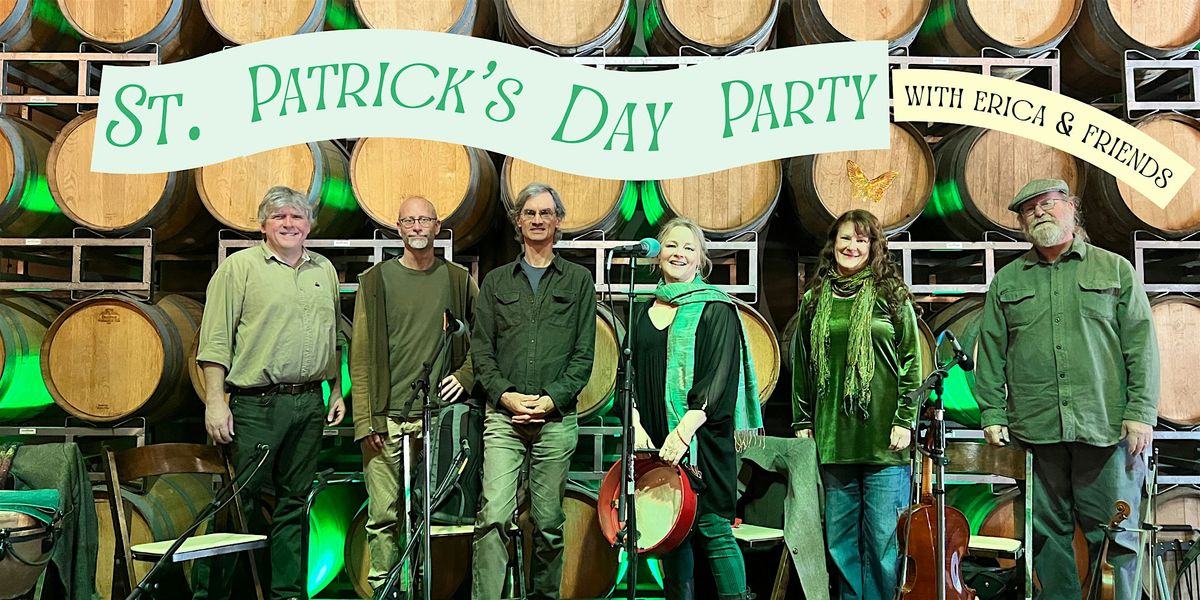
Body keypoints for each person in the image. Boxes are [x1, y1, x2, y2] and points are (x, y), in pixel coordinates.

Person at [976, 179, 1158, 600]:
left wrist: (1141, 412)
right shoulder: (1007, 281)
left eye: (1048, 204)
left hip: (1106, 429)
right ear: (1023, 224)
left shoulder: (1114, 269)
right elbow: (991, 352)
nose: (1039, 212)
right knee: (1046, 538)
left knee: (1116, 538)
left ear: (1072, 208)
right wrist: (992, 412)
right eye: (1029, 210)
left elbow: (1141, 346)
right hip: (1037, 430)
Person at [195, 185, 346, 600]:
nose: (289, 224)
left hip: (309, 402)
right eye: (279, 216)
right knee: (236, 504)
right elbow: (215, 341)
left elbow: (333, 338)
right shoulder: (239, 268)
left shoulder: (323, 270)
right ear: (262, 225)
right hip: (256, 405)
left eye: (297, 217)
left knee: (295, 506)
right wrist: (215, 403)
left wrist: (335, 390)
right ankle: (212, 595)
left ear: (309, 225)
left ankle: (287, 594)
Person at [469, 183, 596, 600]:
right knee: (493, 516)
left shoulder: (579, 281)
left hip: (555, 419)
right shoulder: (495, 282)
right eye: (530, 213)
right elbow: (482, 351)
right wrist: (506, 396)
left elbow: (583, 355)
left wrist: (549, 400)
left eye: (545, 213)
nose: (537, 220)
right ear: (518, 221)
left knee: (548, 524)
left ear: (558, 221)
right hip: (503, 418)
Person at [629, 217, 763, 600]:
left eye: (689, 248)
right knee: (672, 532)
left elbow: (718, 376)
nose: (679, 254)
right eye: (672, 245)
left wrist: (684, 431)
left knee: (713, 528)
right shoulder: (643, 309)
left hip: (702, 438)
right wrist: (636, 422)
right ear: (658, 254)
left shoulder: (715, 307)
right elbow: (631, 373)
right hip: (655, 437)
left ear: (700, 258)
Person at [349, 196, 478, 594]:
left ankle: (428, 588)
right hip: (387, 418)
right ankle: (386, 590)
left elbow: (486, 338)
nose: (417, 227)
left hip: (439, 418)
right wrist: (365, 419)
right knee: (383, 516)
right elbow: (360, 354)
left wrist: (466, 375)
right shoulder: (375, 281)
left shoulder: (457, 279)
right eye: (409, 220)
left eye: (424, 220)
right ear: (398, 228)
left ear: (437, 227)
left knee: (434, 516)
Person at [791, 209, 922, 600]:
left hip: (884, 440)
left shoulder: (891, 295)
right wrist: (802, 421)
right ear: (833, 244)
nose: (851, 246)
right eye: (845, 238)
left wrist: (905, 419)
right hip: (835, 439)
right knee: (841, 540)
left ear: (874, 247)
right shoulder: (814, 299)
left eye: (861, 240)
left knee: (882, 542)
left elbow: (913, 362)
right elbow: (802, 366)